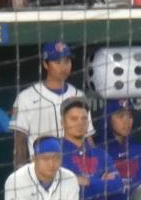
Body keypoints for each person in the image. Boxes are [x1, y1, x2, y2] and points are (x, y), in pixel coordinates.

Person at [10, 41, 91, 169]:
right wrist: (20, 172)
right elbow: (20, 141)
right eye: (57, 62)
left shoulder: (79, 95)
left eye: (67, 61)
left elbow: (88, 137)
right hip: (41, 168)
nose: (63, 67)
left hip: (76, 167)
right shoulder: (25, 97)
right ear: (45, 64)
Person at [59, 98, 123, 200]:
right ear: (62, 123)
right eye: (74, 119)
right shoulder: (55, 154)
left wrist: (88, 182)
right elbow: (63, 190)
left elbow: (117, 186)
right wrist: (101, 183)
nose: (80, 123)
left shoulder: (100, 154)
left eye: (84, 119)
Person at [100, 99, 141, 199]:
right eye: (120, 116)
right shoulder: (98, 151)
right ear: (108, 118)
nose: (126, 122)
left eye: (129, 116)